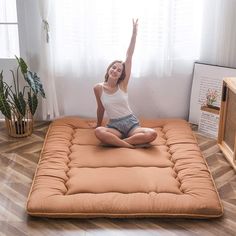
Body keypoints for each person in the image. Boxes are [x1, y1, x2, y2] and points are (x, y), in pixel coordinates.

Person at [93, 19, 157, 148]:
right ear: (108, 69)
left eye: (119, 70)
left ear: (122, 74)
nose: (115, 70)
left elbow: (129, 56)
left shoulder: (122, 85)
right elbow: (101, 108)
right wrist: (98, 124)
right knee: (98, 132)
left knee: (152, 134)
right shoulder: (98, 88)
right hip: (114, 126)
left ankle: (123, 143)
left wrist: (134, 34)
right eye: (113, 67)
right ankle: (128, 143)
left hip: (131, 123)